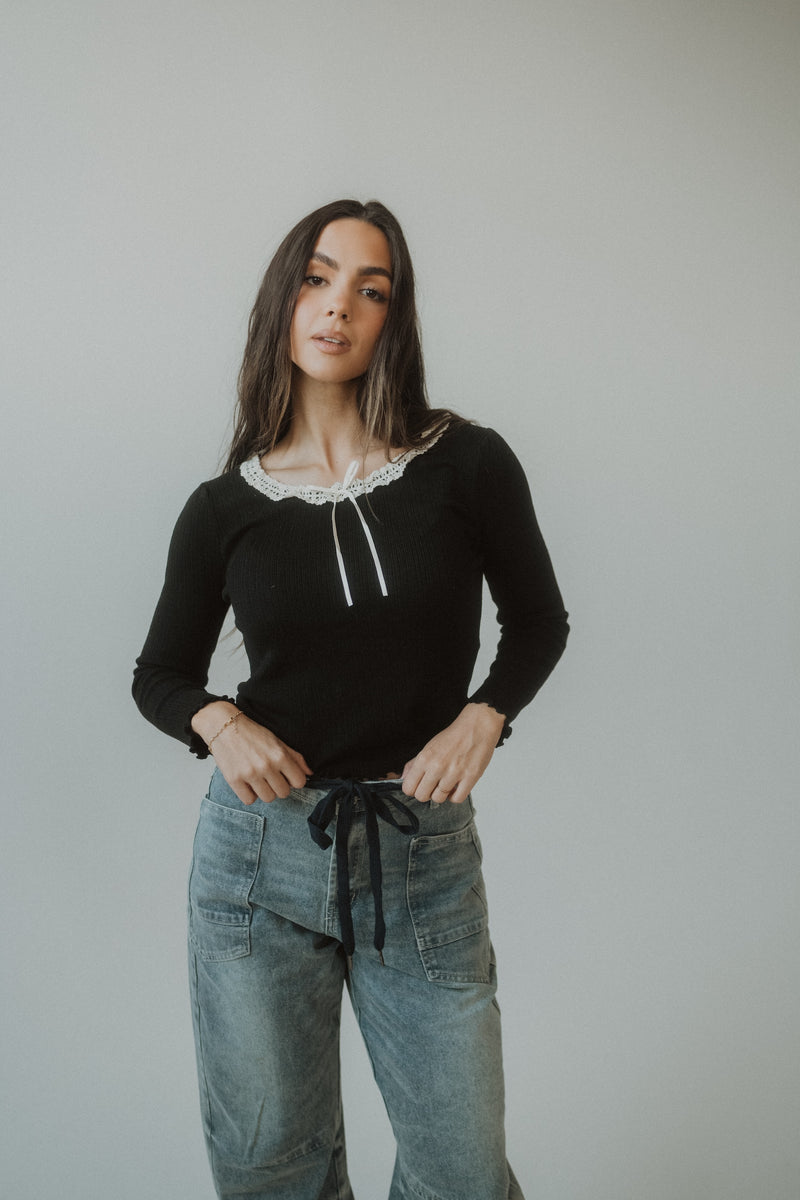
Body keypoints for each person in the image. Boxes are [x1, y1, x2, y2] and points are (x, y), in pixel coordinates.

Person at [132, 198, 568, 1200]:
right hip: (257, 857)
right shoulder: (223, 509)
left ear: (392, 319)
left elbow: (539, 620)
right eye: (317, 279)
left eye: (371, 290)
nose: (338, 307)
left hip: (420, 854)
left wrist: (484, 715)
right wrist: (219, 721)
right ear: (282, 301)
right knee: (272, 1167)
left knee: (461, 1172)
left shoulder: (466, 462)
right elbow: (159, 675)